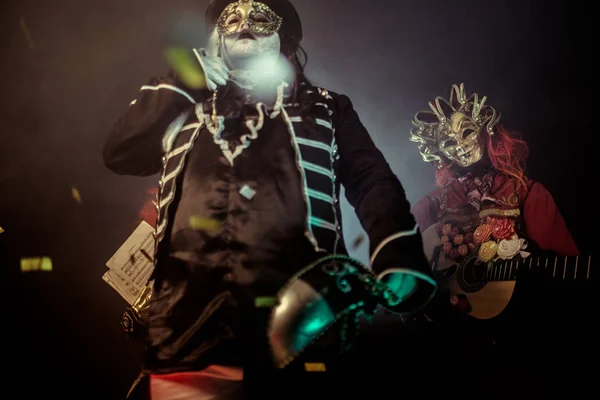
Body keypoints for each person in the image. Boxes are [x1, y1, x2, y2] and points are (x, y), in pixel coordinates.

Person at [103, 1, 436, 399]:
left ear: (284, 39)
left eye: (261, 18)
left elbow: (370, 179)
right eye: (231, 19)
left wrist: (396, 252)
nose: (244, 24)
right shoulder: (179, 108)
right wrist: (186, 80)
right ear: (215, 40)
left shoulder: (328, 108)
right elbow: (120, 152)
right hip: (190, 334)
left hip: (303, 328)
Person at [408, 83, 580, 396]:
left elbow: (565, 267)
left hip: (516, 341)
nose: (459, 146)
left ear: (487, 131)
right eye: (448, 141)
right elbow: (401, 265)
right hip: (447, 344)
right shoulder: (432, 204)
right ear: (439, 151)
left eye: (467, 132)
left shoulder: (528, 193)